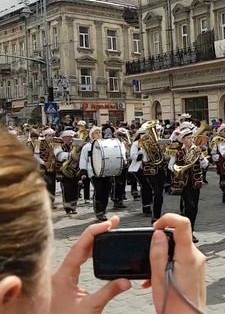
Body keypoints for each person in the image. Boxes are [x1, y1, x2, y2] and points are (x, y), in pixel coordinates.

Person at [0, 131, 207, 313]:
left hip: (114, 174)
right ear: (7, 295)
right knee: (97, 194)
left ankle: (100, 208)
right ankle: (93, 209)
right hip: (94, 173)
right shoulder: (86, 147)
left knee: (105, 194)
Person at [168, 128, 209, 243]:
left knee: (194, 207)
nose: (191, 139)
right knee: (188, 206)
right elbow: (170, 165)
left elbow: (205, 165)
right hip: (184, 182)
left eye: (192, 138)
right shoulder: (177, 151)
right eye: (189, 138)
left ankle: (191, 231)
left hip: (195, 182)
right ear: (183, 140)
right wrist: (177, 170)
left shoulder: (196, 150)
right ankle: (186, 231)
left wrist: (201, 157)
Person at [79, 127, 115, 222]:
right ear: (92, 135)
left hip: (106, 171)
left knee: (106, 191)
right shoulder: (87, 147)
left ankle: (103, 209)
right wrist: (83, 171)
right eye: (96, 132)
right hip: (94, 172)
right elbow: (83, 159)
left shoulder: (106, 144)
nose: (99, 134)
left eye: (100, 132)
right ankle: (99, 212)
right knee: (99, 190)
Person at [54, 129, 81, 214]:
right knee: (66, 190)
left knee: (75, 189)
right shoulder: (59, 146)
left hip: (75, 171)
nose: (70, 139)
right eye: (68, 137)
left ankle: (73, 207)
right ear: (64, 138)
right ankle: (67, 207)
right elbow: (60, 156)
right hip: (64, 172)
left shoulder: (76, 147)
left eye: (72, 137)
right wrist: (71, 155)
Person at [112, 128, 130, 210]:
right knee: (117, 183)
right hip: (117, 164)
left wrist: (127, 140)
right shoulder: (113, 142)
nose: (121, 137)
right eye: (119, 135)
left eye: (123, 135)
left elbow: (127, 152)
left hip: (124, 164)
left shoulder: (125, 143)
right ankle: (116, 200)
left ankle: (120, 199)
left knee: (123, 183)